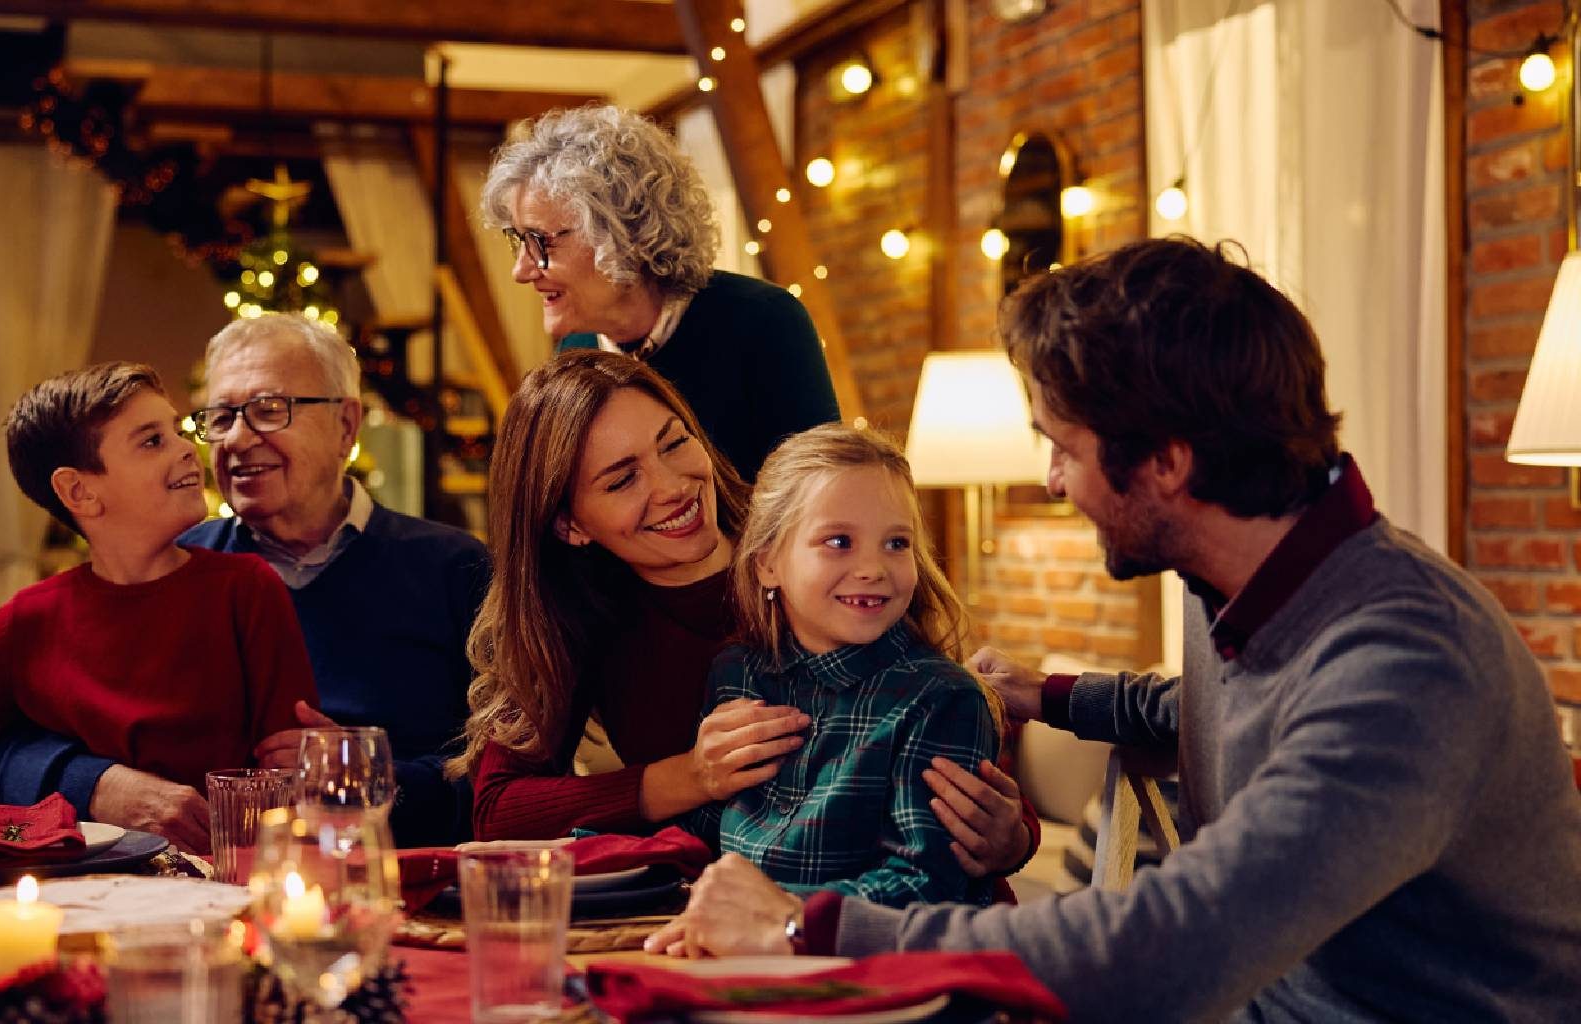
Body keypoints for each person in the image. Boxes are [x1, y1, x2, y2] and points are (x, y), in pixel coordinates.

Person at [648, 238, 1581, 1022]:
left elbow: (1174, 945)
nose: (1053, 479)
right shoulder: (1242, 584)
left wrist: (803, 929)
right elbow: (1226, 707)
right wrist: (1049, 696)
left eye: (1064, 447)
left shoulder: (1409, 662)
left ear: (1167, 463)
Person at [448, 351, 1034, 890]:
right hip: (745, 919)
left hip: (888, 922)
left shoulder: (822, 543)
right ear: (570, 525)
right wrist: (692, 778)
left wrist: (1018, 830)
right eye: (623, 479)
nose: (674, 486)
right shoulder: (579, 614)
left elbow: (929, 714)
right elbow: (499, 810)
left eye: (674, 443)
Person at [0, 316, 488, 849]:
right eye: (220, 417)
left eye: (269, 410)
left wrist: (374, 780)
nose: (238, 439)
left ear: (346, 426)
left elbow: (513, 780)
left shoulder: (454, 568)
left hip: (402, 878)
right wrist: (96, 783)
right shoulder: (170, 568)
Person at [0, 362, 318, 853]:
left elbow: (290, 774)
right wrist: (19, 837)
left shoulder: (247, 589)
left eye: (177, 430)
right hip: (76, 891)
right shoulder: (26, 620)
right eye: (152, 440)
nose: (185, 448)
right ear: (80, 492)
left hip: (223, 880)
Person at [669, 424, 1002, 913]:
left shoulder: (941, 698)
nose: (873, 568)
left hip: (870, 968)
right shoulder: (735, 673)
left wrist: (778, 910)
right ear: (768, 565)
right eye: (839, 541)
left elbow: (929, 885)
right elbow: (710, 833)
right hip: (737, 952)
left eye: (896, 544)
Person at [483, 104, 840, 483]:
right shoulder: (577, 354)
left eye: (539, 241)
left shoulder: (763, 322)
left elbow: (822, 499)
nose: (520, 270)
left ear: (623, 233)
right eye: (518, 240)